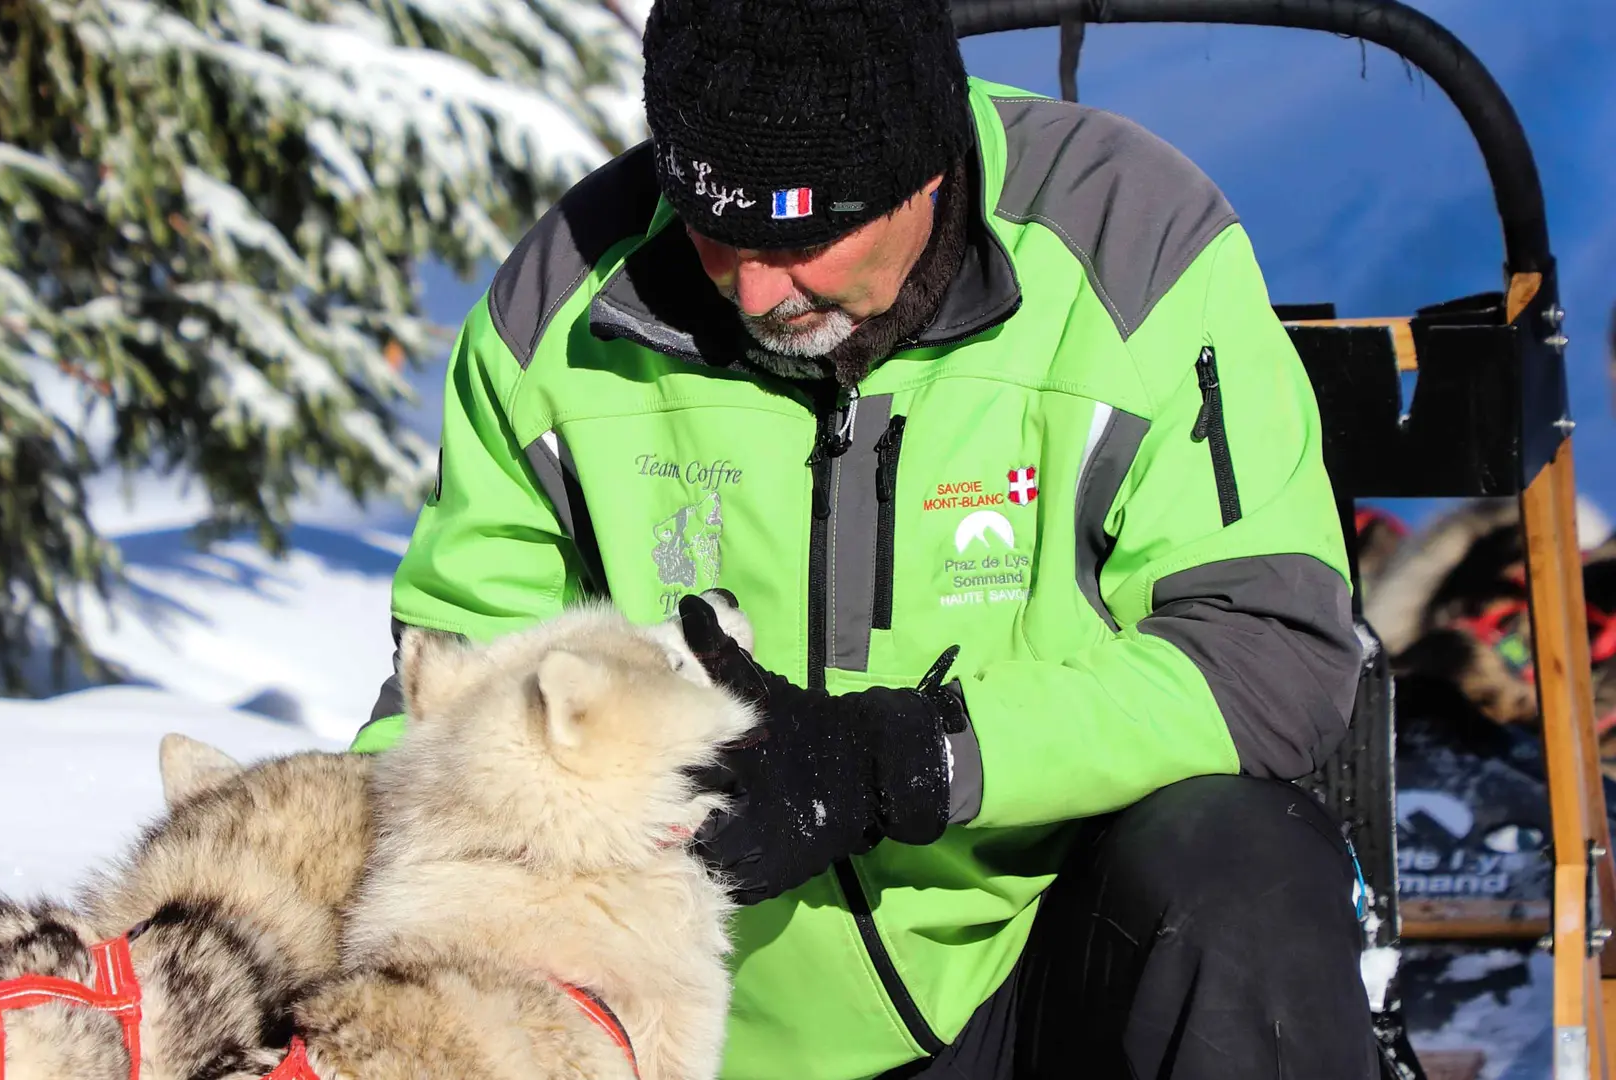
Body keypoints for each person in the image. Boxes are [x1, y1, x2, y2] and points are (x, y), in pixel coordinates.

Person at [350, 0, 1381, 1076]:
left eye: (801, 235)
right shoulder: (558, 310)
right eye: (715, 229)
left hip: (1039, 960)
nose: (756, 289)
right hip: (686, 1024)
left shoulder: (1131, 244)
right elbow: (450, 698)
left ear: (926, 167)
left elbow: (1270, 657)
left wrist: (903, 761)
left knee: (1244, 869)